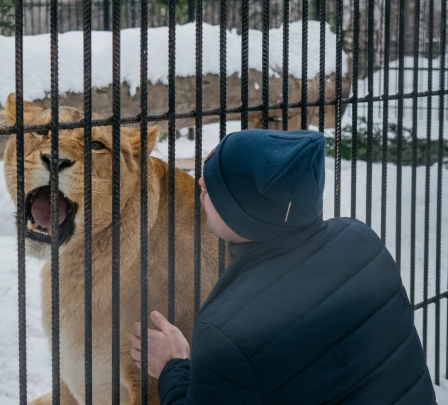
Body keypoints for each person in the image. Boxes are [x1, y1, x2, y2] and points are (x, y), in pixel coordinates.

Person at [129, 129, 436, 404]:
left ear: (244, 213)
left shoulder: (228, 331)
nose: (199, 182)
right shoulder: (363, 243)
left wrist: (174, 366)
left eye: (217, 186)